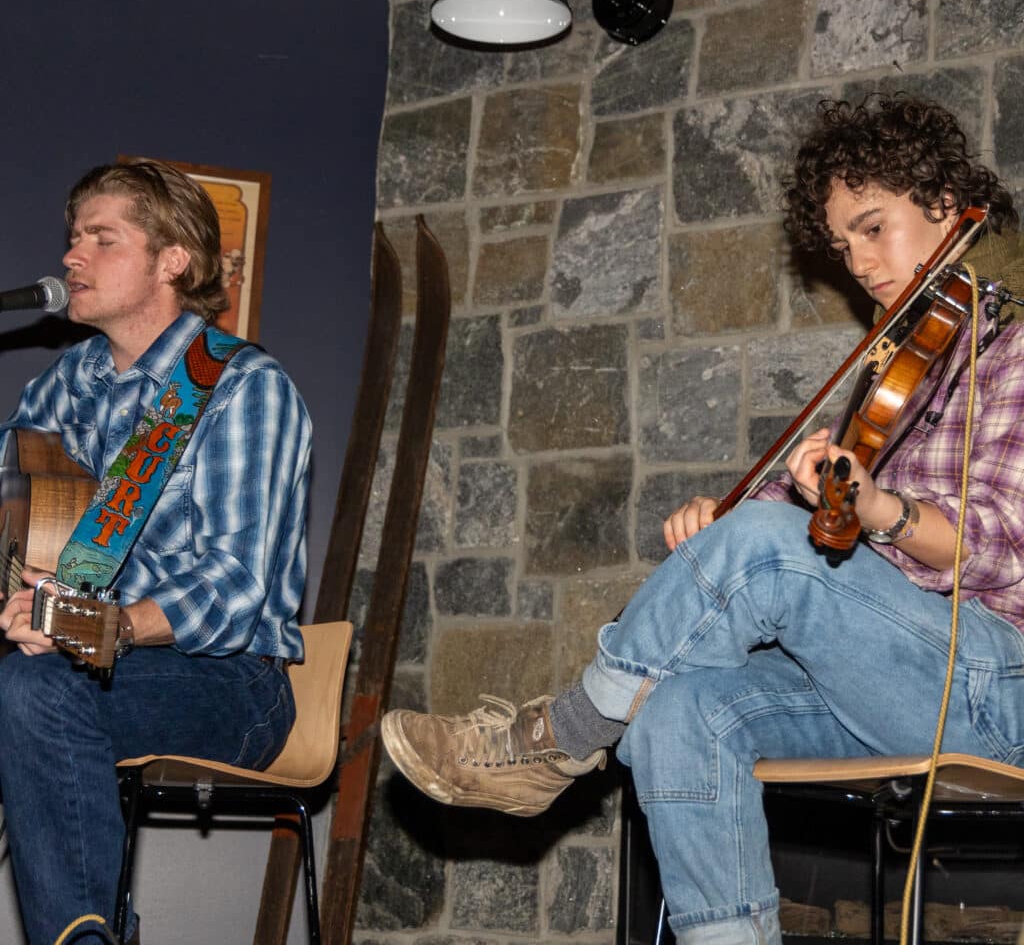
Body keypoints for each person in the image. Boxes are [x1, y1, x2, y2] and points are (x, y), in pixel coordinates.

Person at [380, 96, 1024, 945]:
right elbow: (799, 527)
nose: (860, 264)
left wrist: (873, 510)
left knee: (760, 552)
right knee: (678, 708)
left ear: (947, 204)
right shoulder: (903, 366)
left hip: (989, 688)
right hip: (882, 676)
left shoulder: (1014, 350)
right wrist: (724, 522)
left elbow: (1001, 545)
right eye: (842, 246)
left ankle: (567, 733)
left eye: (875, 229)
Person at [0, 159, 311, 945]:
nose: (71, 257)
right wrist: (27, 593)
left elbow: (237, 587)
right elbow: (13, 505)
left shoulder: (242, 387)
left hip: (232, 683)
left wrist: (101, 625)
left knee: (36, 687)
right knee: (32, 679)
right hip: (72, 666)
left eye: (102, 239)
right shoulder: (65, 387)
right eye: (72, 239)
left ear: (174, 258)